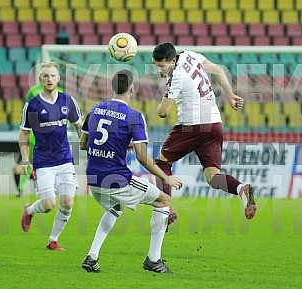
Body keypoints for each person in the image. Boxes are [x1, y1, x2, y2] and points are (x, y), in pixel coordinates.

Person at [80, 70, 183, 273]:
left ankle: (91, 256)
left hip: (93, 180)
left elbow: (84, 144)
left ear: (112, 87)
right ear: (132, 89)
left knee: (117, 207)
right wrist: (166, 177)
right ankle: (154, 259)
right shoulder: (134, 117)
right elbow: (143, 158)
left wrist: (118, 145)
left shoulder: (95, 110)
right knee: (163, 201)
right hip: (117, 180)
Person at [151, 42, 257, 226]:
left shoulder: (176, 77)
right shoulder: (191, 55)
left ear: (173, 60)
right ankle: (241, 189)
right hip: (214, 123)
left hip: (193, 125)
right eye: (156, 65)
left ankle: (165, 208)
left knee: (160, 163)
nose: (159, 70)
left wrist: (161, 102)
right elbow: (218, 71)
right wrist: (230, 96)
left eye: (162, 65)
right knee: (213, 177)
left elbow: (163, 112)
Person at [19, 62, 83, 251]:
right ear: (40, 79)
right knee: (48, 205)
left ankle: (52, 241)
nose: (49, 79)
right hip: (43, 162)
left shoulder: (68, 101)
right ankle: (30, 210)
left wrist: (88, 145)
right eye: (46, 76)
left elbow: (79, 126)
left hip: (65, 160)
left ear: (58, 79)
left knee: (67, 202)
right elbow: (24, 134)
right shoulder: (32, 106)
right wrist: (25, 160)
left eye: (53, 76)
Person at [13, 84, 64, 197]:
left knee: (41, 165)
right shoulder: (34, 91)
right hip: (35, 137)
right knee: (33, 164)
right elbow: (27, 109)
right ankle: (30, 188)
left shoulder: (60, 92)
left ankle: (38, 187)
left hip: (49, 136)